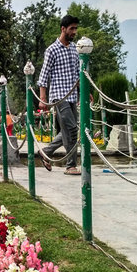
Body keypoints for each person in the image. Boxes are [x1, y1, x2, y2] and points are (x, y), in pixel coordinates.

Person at [37, 14, 81, 175]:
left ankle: (45, 152)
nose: (74, 32)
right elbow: (43, 76)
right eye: (72, 29)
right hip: (59, 96)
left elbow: (78, 74)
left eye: (76, 28)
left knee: (68, 130)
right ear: (63, 29)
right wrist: (43, 99)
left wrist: (85, 91)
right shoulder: (52, 50)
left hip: (72, 96)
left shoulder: (76, 49)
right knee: (72, 129)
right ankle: (71, 165)